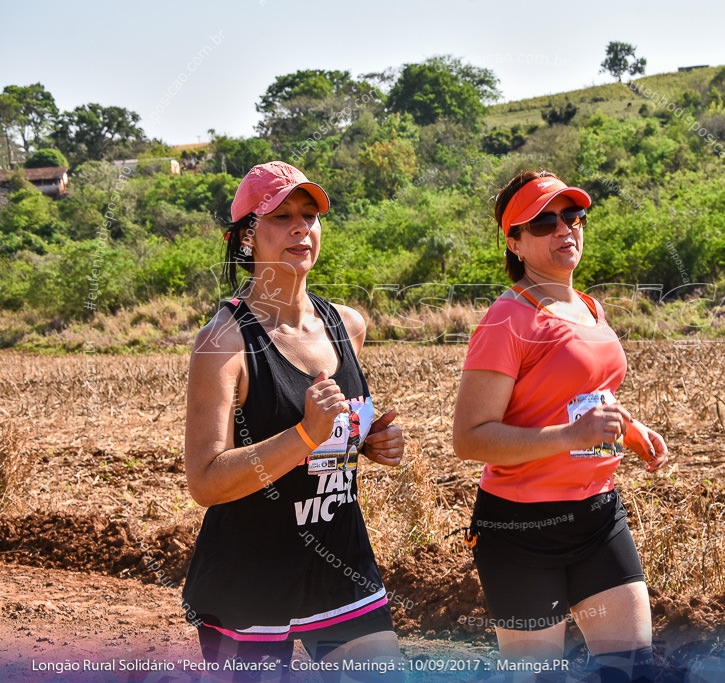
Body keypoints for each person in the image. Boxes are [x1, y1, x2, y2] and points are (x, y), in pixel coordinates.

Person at [182, 161, 405, 679]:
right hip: (249, 579)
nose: (301, 226)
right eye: (281, 217)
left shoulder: (347, 325)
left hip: (340, 561)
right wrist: (305, 434)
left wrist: (366, 441)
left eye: (310, 214)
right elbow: (205, 480)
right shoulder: (224, 342)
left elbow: (330, 435)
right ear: (245, 239)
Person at [452, 170, 670, 682]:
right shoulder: (509, 318)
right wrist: (571, 438)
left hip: (598, 515)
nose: (564, 229)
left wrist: (630, 429)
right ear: (515, 242)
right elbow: (469, 437)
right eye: (544, 221)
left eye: (572, 217)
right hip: (520, 530)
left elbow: (582, 396)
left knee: (632, 669)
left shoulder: (588, 307)